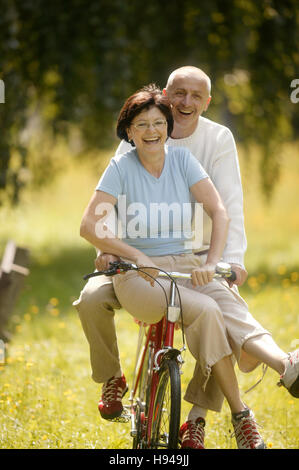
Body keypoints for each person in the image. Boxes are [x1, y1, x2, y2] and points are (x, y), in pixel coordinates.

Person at [74, 67, 299, 449]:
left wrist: (221, 261)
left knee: (228, 308)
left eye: (157, 123)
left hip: (186, 261)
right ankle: (115, 378)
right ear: (129, 130)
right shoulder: (123, 160)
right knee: (92, 299)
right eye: (142, 124)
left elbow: (225, 207)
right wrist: (111, 251)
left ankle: (272, 379)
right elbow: (96, 219)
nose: (151, 130)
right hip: (132, 269)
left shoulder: (191, 154)